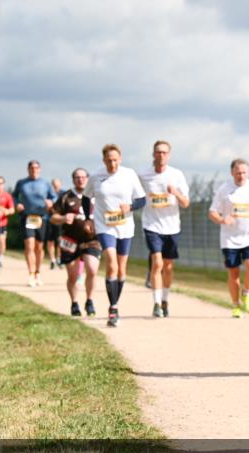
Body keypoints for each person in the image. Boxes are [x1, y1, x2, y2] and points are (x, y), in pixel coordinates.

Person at [84, 143, 146, 327]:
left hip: (125, 226)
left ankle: (115, 303)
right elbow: (86, 197)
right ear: (104, 160)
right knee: (111, 263)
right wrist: (88, 218)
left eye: (115, 160)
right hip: (104, 226)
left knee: (121, 269)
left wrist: (131, 207)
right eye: (109, 160)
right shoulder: (96, 175)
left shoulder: (129, 174)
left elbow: (142, 199)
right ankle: (113, 308)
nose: (112, 164)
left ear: (120, 159)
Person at [209, 158, 249, 318]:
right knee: (233, 273)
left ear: (248, 173)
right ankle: (236, 306)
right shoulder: (224, 189)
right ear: (232, 173)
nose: (241, 176)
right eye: (238, 173)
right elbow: (212, 211)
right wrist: (222, 220)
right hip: (229, 238)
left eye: (244, 173)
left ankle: (246, 293)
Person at [139, 140, 190, 318]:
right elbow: (136, 195)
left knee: (168, 267)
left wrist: (175, 192)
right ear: (153, 154)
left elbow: (185, 203)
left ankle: (165, 299)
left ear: (168, 155)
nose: (161, 155)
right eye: (158, 152)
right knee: (157, 263)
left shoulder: (176, 175)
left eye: (164, 152)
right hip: (151, 225)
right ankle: (156, 303)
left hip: (172, 226)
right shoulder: (144, 175)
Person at [51, 168, 100, 317]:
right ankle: (74, 303)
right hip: (70, 240)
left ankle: (89, 301)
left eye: (83, 177)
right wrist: (64, 218)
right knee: (73, 276)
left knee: (92, 270)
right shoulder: (66, 196)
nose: (81, 180)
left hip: (91, 240)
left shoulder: (96, 195)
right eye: (77, 177)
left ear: (88, 178)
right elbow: (53, 217)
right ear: (73, 179)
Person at [12, 160, 57, 286]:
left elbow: (54, 197)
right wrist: (17, 204)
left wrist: (51, 203)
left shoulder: (45, 183)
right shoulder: (21, 183)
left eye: (36, 167)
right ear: (28, 169)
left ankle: (38, 272)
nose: (34, 170)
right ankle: (31, 274)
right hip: (27, 216)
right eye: (31, 168)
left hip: (42, 217)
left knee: (39, 247)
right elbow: (14, 196)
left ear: (40, 169)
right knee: (29, 245)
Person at [45, 177, 64, 270]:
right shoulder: (48, 194)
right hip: (49, 220)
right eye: (54, 185)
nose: (56, 187)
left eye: (57, 185)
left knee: (60, 241)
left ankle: (59, 259)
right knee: (50, 241)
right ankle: (52, 260)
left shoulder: (64, 194)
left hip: (60, 221)